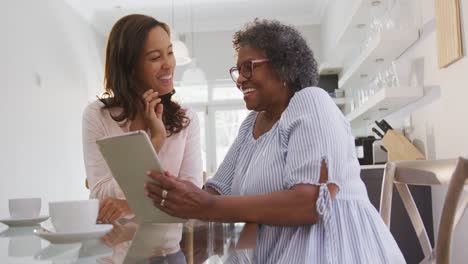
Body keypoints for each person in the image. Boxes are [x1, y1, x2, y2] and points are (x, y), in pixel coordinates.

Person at [144, 19, 405, 263]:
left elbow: (311, 203)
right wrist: (175, 191)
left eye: (249, 67)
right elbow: (217, 191)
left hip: (331, 250)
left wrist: (206, 207)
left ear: (284, 66)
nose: (240, 80)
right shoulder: (250, 126)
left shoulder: (311, 101)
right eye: (238, 71)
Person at [82, 14, 203, 260]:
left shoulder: (187, 119)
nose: (168, 64)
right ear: (129, 66)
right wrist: (153, 142)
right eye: (155, 57)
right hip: (112, 256)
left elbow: (192, 198)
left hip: (168, 255)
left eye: (170, 53)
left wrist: (129, 206)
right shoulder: (98, 115)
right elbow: (100, 196)